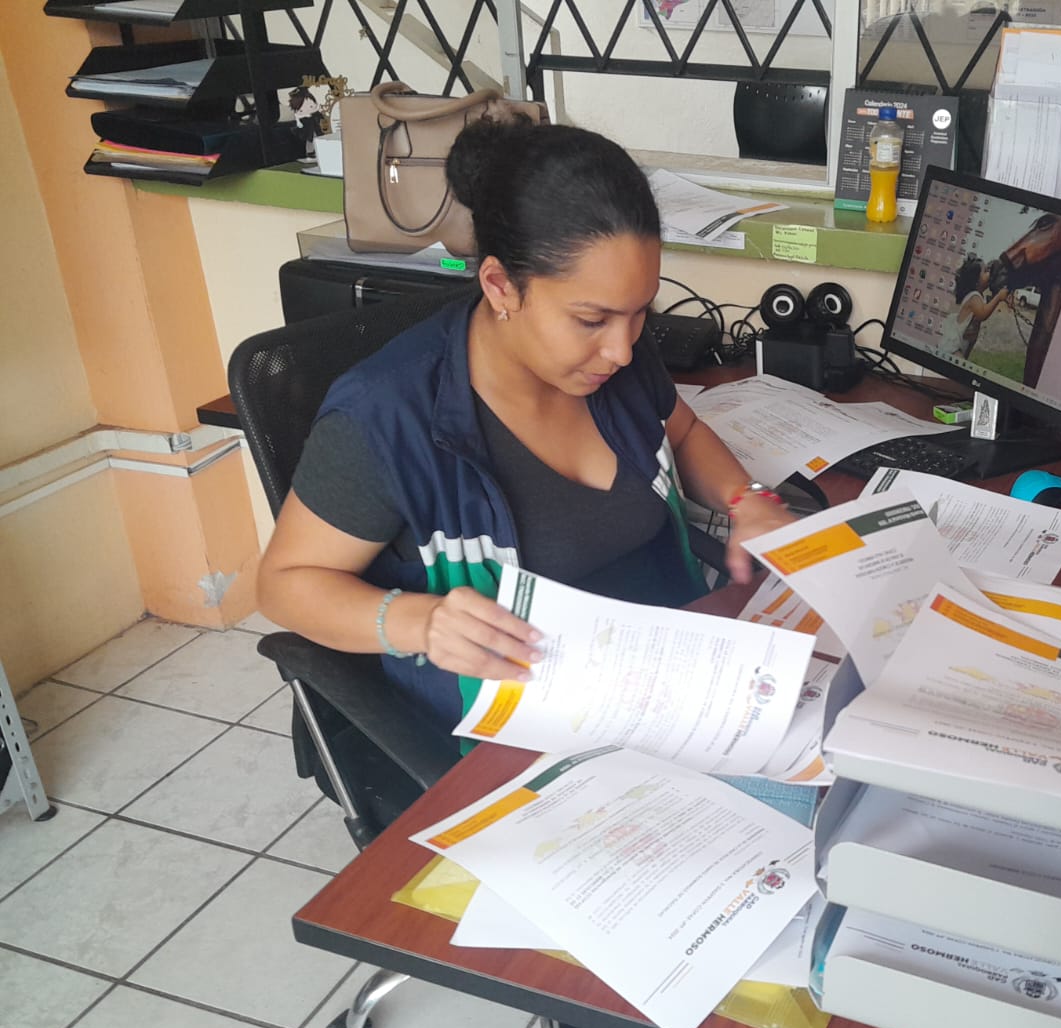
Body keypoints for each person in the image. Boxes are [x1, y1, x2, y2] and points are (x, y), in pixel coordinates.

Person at [256, 111, 795, 732]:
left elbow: (685, 431)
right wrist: (418, 622)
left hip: (679, 676)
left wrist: (746, 499)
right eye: (591, 320)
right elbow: (283, 585)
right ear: (500, 286)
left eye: (640, 313)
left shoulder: (615, 364)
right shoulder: (384, 419)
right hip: (522, 722)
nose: (623, 350)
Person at [942, 254, 1011, 360]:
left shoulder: (978, 296)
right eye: (985, 271)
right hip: (954, 347)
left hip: (962, 344)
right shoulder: (974, 297)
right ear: (976, 280)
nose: (989, 274)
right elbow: (982, 314)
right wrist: (998, 297)